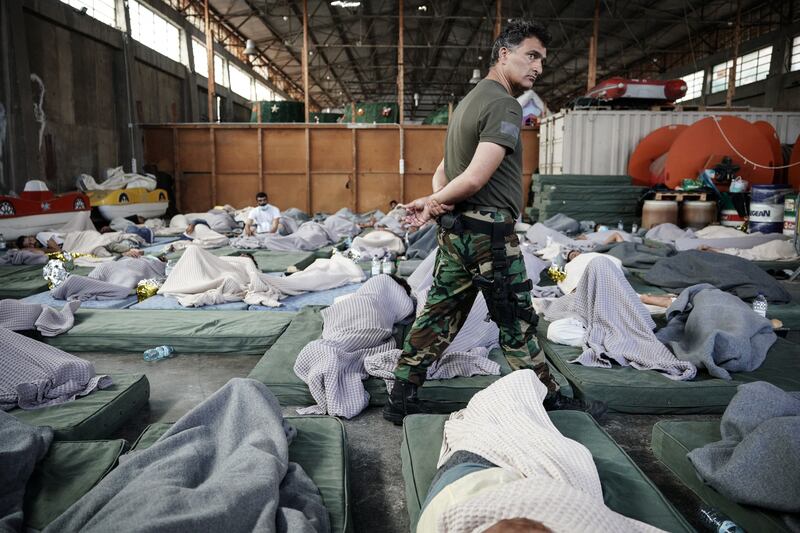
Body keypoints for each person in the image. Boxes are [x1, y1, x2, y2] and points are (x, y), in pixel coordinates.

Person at [383, 19, 606, 424]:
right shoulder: (504, 104)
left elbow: (443, 172)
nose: (538, 67)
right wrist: (432, 203)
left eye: (542, 60)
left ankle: (402, 394)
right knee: (516, 318)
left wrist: (435, 203)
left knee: (439, 313)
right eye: (531, 55)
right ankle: (547, 397)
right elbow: (473, 177)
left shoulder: (470, 101)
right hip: (488, 236)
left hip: (458, 233)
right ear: (504, 54)